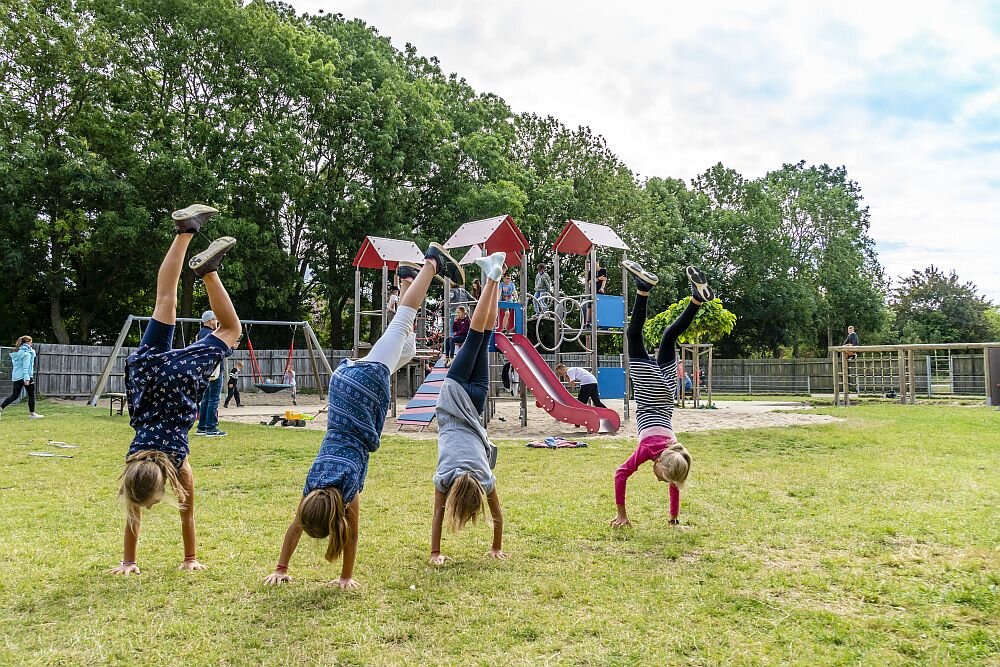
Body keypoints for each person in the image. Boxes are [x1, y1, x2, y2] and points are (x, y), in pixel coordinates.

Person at [263, 243, 464, 588]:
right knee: (409, 347)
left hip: (361, 391)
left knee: (401, 322)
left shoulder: (345, 492)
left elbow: (351, 536)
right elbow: (296, 524)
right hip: (343, 391)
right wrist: (280, 568)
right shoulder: (314, 488)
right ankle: (406, 281)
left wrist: (346, 578)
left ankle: (432, 262)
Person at [110, 203, 239, 575]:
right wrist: (128, 562)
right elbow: (133, 515)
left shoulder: (178, 467)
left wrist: (190, 560)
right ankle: (185, 231)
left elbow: (187, 514)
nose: (149, 507)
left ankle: (210, 273)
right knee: (164, 300)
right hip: (146, 374)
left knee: (229, 331)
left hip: (179, 379)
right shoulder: (133, 464)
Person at [611, 262, 714, 529]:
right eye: (662, 477)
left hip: (668, 392)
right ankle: (643, 289)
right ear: (658, 463)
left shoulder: (675, 448)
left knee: (669, 337)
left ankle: (696, 300)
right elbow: (621, 474)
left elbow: (675, 481)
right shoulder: (649, 451)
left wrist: (674, 517)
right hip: (650, 392)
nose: (658, 480)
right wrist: (622, 514)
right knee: (633, 335)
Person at [430, 251, 507, 566]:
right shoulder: (445, 478)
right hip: (454, 398)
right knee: (475, 337)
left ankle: (495, 276)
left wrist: (496, 547)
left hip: (476, 405)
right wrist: (434, 552)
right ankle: (492, 275)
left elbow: (498, 516)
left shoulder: (486, 477)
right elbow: (437, 514)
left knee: (484, 337)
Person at [195, 310, 226, 437]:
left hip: (204, 370)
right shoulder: (213, 334)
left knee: (206, 398)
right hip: (215, 369)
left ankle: (202, 426)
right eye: (215, 319)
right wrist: (232, 347)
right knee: (214, 398)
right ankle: (211, 427)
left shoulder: (199, 334)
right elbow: (221, 351)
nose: (216, 322)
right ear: (209, 321)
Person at [1, 335, 43, 419]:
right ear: (27, 342)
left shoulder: (17, 352)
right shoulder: (27, 354)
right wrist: (27, 378)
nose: (31, 344)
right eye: (31, 342)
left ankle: (1, 408)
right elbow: (26, 367)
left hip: (16, 377)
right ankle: (32, 414)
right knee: (31, 395)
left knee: (14, 396)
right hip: (26, 376)